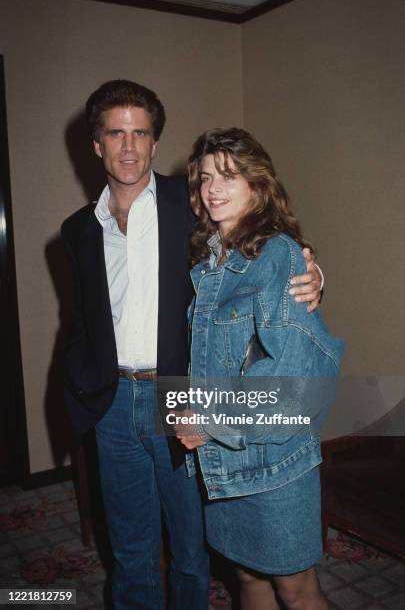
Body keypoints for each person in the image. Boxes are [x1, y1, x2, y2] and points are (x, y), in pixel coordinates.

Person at [61, 80, 323, 609]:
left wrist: (315, 275)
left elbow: (260, 243)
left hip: (182, 393)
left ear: (156, 143)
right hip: (111, 402)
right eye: (116, 133)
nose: (129, 146)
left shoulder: (195, 203)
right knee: (130, 547)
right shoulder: (76, 231)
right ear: (97, 145)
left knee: (191, 546)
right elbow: (82, 321)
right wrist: (80, 386)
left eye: (141, 133)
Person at [176, 128, 344, 610]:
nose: (213, 187)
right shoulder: (211, 259)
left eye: (230, 175)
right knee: (248, 579)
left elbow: (294, 374)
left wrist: (208, 421)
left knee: (297, 589)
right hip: (223, 462)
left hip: (275, 460)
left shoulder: (278, 254)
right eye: (206, 177)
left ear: (259, 183)